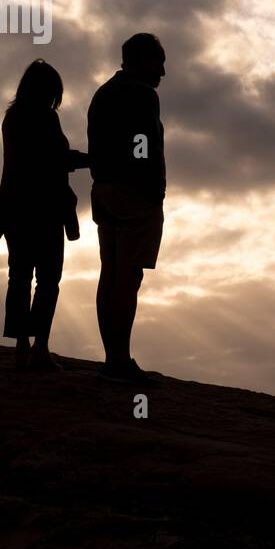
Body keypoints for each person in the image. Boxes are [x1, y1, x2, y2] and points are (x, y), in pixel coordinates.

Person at [0, 59, 89, 371]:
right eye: (53, 93)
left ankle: (23, 348)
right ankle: (40, 349)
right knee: (48, 281)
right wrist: (93, 159)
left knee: (20, 277)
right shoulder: (46, 118)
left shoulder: (13, 118)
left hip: (17, 209)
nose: (54, 100)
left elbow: (16, 166)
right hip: (44, 210)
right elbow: (56, 160)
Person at [87, 32, 166, 385]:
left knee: (111, 274)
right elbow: (142, 145)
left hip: (104, 190)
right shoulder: (140, 94)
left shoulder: (103, 93)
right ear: (140, 59)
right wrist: (151, 187)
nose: (163, 70)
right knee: (128, 277)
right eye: (158, 61)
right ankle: (119, 360)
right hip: (134, 193)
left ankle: (113, 358)